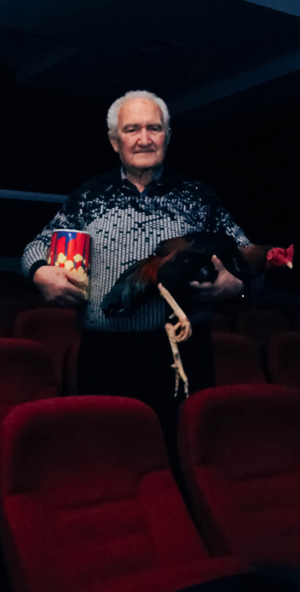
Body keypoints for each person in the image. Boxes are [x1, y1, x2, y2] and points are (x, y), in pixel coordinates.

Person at [21, 89, 260, 437]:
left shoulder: (198, 195)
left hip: (184, 354)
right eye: (132, 129)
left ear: (167, 136)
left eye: (154, 128)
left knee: (184, 447)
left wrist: (237, 286)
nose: (144, 139)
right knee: (106, 449)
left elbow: (247, 252)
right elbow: (38, 245)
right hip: (106, 355)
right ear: (115, 141)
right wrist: (39, 272)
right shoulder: (88, 195)